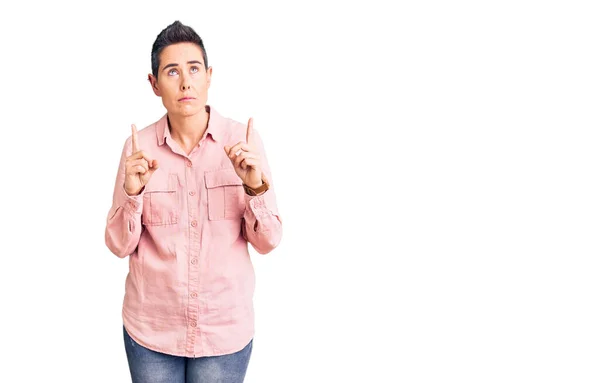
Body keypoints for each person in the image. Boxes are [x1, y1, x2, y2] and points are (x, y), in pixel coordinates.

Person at [104, 20, 282, 383]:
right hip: (152, 331)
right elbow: (119, 246)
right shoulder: (139, 149)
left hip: (223, 332)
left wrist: (254, 188)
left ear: (209, 75)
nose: (185, 82)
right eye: (172, 71)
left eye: (194, 69)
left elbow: (269, 241)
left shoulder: (242, 141)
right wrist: (133, 193)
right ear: (154, 84)